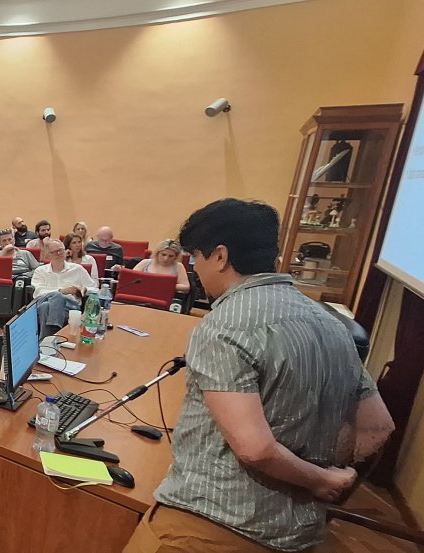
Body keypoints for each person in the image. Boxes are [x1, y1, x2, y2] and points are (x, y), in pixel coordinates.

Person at [125, 198, 394, 553]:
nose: (195, 270)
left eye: (196, 258)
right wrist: (328, 472)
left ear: (220, 256)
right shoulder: (332, 325)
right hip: (298, 536)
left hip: (210, 526)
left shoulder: (224, 325)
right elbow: (377, 428)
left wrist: (319, 480)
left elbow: (255, 449)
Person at [30, 239, 98, 336]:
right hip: (45, 300)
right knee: (55, 298)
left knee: (46, 307)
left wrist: (85, 289)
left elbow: (95, 289)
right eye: (55, 252)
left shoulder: (78, 269)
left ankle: (47, 337)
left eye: (61, 250)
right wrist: (62, 291)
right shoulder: (40, 271)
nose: (59, 254)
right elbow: (37, 293)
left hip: (70, 306)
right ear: (48, 255)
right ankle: (54, 334)